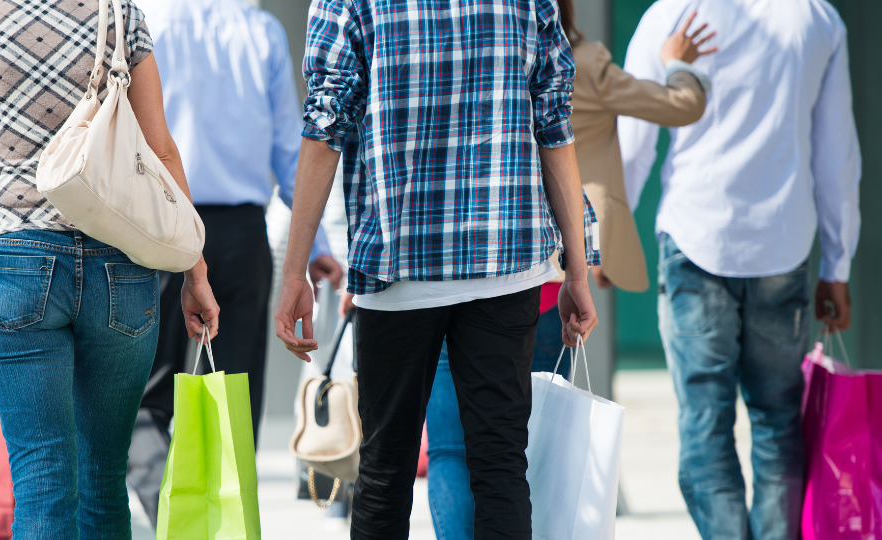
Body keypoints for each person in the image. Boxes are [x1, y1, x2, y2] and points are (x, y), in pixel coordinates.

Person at [275, 0, 601, 537]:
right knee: (500, 467)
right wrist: (576, 268)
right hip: (506, 261)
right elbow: (553, 123)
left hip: (398, 265)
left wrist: (295, 273)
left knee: (384, 471)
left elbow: (324, 124)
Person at [418, 2, 719, 537]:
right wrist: (679, 65)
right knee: (523, 445)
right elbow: (680, 104)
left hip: (439, 271)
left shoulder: (445, 49)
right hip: (542, 280)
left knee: (449, 447)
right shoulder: (581, 61)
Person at [0, 0, 221, 537]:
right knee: (105, 478)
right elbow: (162, 152)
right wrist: (193, 271)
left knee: (41, 480)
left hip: (15, 264)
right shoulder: (118, 13)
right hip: (120, 265)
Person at [619, 0, 860, 537]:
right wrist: (837, 265)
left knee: (706, 429)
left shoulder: (671, 14)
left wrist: (608, 242)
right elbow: (836, 153)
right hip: (785, 244)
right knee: (779, 425)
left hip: (695, 240)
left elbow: (632, 141)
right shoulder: (817, 18)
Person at [124, 0, 344, 523]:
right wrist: (314, 247)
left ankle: (173, 522)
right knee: (231, 403)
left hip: (162, 228)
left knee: (141, 402)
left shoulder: (145, 20)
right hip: (244, 238)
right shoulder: (261, 30)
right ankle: (219, 529)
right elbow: (288, 150)